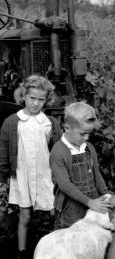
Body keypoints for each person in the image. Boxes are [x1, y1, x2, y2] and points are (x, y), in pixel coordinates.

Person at [0, 75, 62, 259]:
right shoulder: (12, 122)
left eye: (41, 100)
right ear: (24, 96)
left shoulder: (50, 123)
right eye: (32, 98)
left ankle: (55, 249)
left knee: (54, 212)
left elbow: (58, 151)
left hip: (45, 175)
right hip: (22, 175)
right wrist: (2, 179)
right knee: (24, 216)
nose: (35, 103)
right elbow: (3, 151)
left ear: (47, 100)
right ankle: (22, 252)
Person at [49, 101, 112, 230]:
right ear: (67, 128)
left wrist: (106, 195)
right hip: (70, 207)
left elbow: (96, 174)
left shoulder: (89, 148)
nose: (87, 137)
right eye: (82, 134)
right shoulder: (59, 152)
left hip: (92, 202)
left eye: (89, 133)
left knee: (91, 235)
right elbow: (65, 185)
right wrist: (90, 202)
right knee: (70, 238)